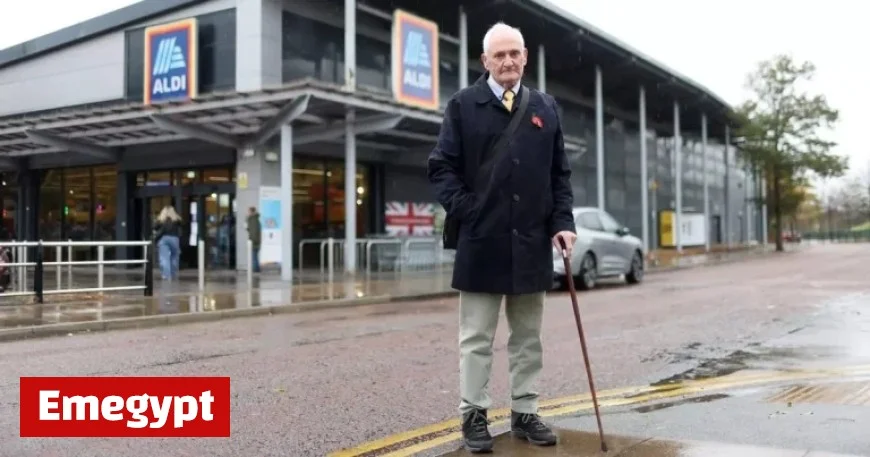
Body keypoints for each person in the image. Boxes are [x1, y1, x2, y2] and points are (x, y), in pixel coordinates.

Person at [427, 22, 577, 452]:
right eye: (499, 55)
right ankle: (473, 415)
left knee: (528, 337)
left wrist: (562, 223)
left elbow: (559, 174)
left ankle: (525, 413)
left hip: (531, 243)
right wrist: (469, 212)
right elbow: (441, 167)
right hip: (481, 241)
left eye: (515, 53)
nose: (508, 61)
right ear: (485, 61)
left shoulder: (545, 108)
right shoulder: (462, 105)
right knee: (476, 338)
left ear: (525, 57)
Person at [153, 205, 183, 280]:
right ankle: (173, 274)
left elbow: (154, 227)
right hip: (174, 239)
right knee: (174, 257)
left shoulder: (161, 220)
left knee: (164, 258)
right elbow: (181, 224)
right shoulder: (176, 220)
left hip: (163, 239)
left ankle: (166, 276)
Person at [246, 206, 261, 273]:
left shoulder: (253, 220)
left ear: (252, 212)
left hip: (254, 241)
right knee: (254, 256)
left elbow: (254, 232)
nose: (248, 213)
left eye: (249, 211)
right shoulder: (253, 220)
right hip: (254, 241)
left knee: (254, 256)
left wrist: (253, 240)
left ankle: (256, 269)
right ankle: (256, 269)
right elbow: (249, 229)